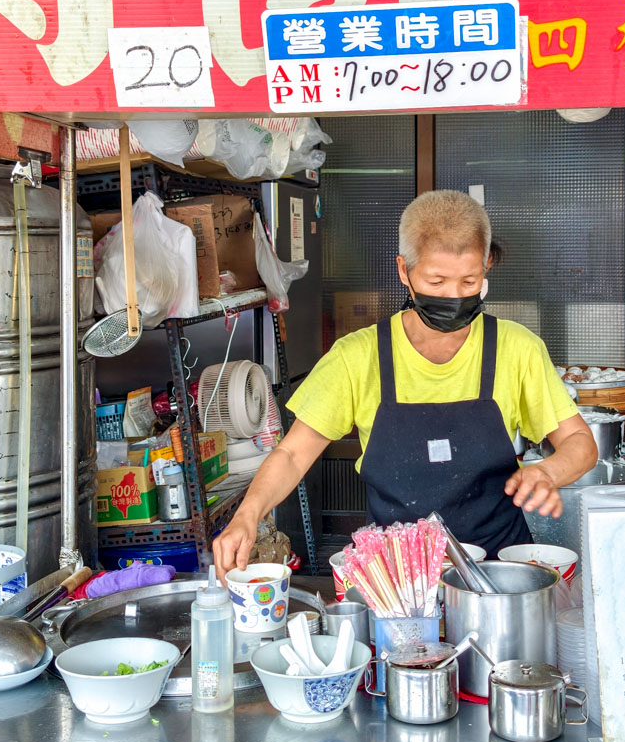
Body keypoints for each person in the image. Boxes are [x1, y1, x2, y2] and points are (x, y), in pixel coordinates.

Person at [214, 190, 598, 578]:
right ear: (404, 271)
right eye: (436, 280)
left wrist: (548, 472)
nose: (453, 295)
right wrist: (247, 515)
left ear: (487, 266)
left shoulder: (517, 348)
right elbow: (293, 455)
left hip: (497, 572)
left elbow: (580, 444)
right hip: (395, 575)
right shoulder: (357, 356)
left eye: (469, 281)